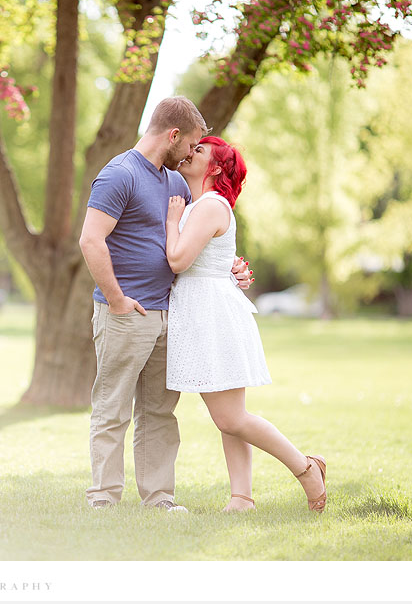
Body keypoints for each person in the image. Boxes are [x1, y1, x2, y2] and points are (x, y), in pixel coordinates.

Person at [78, 97, 251, 511]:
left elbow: (199, 242)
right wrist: (118, 300)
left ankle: (158, 498)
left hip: (170, 314)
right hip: (125, 313)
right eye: (191, 145)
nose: (193, 154)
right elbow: (90, 240)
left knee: (159, 413)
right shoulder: (119, 174)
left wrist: (233, 267)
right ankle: (103, 498)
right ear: (172, 135)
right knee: (113, 407)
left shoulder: (175, 183)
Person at [165, 136, 327, 513]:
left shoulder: (208, 206)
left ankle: (306, 468)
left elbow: (178, 261)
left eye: (200, 151)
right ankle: (242, 498)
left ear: (217, 168)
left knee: (231, 416)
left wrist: (172, 221)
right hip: (204, 311)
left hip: (212, 316)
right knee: (230, 419)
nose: (190, 152)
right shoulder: (200, 205)